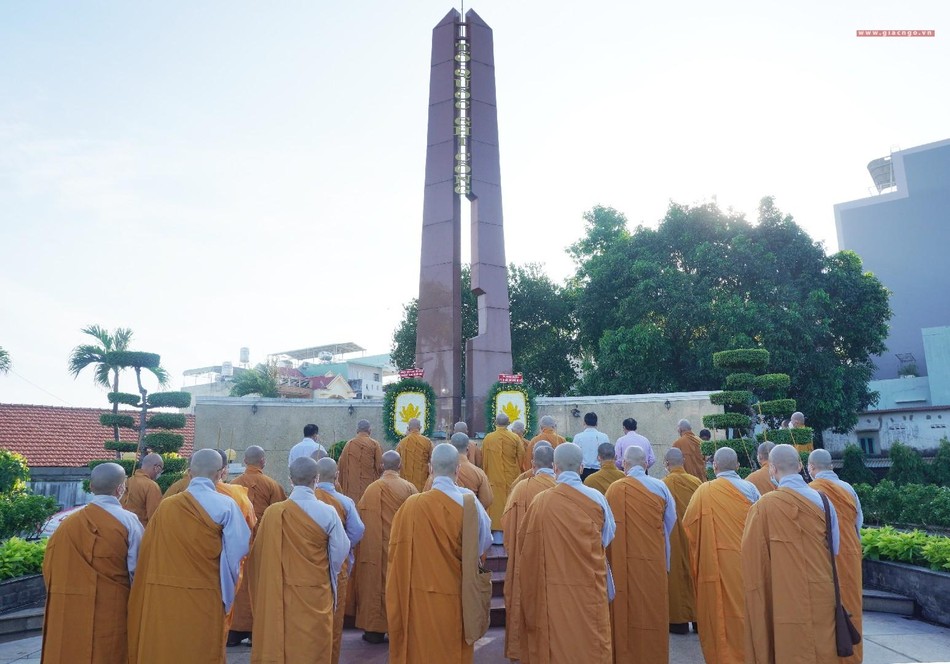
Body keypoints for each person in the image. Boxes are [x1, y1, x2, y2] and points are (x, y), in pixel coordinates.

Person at [127, 448, 251, 664]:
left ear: (190, 473)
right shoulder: (227, 505)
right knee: (201, 649)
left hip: (167, 592)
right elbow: (237, 551)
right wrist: (228, 591)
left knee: (171, 647)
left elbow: (148, 550)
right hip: (207, 591)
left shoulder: (167, 506)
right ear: (220, 473)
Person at [386, 443, 492, 664]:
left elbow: (396, 552)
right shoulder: (471, 505)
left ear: (430, 469)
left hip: (416, 597)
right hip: (457, 595)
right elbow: (482, 545)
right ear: (457, 471)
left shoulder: (411, 506)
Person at [516, 443, 616, 664]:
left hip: (553, 589)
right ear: (581, 468)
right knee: (592, 642)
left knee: (556, 642)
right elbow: (607, 537)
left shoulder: (540, 502)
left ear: (555, 467)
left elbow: (526, 545)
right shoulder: (597, 498)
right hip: (589, 586)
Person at [741, 444, 840, 663]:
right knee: (823, 647)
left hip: (783, 593)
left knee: (790, 646)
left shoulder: (763, 506)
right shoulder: (824, 501)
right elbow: (835, 548)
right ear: (799, 466)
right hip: (821, 590)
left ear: (772, 469)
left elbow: (752, 559)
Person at [248, 457, 349, 664]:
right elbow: (340, 554)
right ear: (317, 479)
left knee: (282, 640)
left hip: (280, 592)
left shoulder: (272, 513)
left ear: (290, 480)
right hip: (315, 592)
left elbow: (258, 556)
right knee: (313, 647)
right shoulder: (328, 512)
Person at [41, 463, 143, 664]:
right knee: (109, 652)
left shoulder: (68, 524)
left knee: (70, 651)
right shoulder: (129, 521)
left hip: (70, 606)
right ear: (120, 488)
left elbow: (50, 566)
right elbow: (137, 569)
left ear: (91, 486)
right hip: (112, 606)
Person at [683, 447, 760, 664]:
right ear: (737, 466)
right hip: (747, 562)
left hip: (716, 563)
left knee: (720, 614)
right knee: (747, 611)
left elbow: (689, 525)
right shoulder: (751, 489)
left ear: (714, 467)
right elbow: (761, 522)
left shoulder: (704, 491)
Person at [606, 446, 676, 663]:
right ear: (646, 464)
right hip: (653, 561)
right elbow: (670, 522)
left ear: (624, 464)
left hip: (622, 563)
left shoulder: (614, 489)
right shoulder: (660, 487)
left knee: (626, 610)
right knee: (653, 611)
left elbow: (607, 529)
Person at [355, 451, 418, 644]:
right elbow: (418, 518)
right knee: (400, 585)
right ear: (400, 466)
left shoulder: (371, 490)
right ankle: (398, 628)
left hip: (375, 550)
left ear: (382, 466)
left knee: (375, 585)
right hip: (401, 548)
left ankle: (374, 630)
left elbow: (360, 522)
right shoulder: (409, 488)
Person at [500, 443, 556, 661]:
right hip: (555, 561)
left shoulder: (521, 488)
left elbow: (506, 523)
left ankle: (520, 649)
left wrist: (512, 547)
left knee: (523, 601)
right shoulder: (564, 487)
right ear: (555, 464)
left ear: (532, 463)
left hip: (524, 558)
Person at [227, 445, 287, 647]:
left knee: (238, 582)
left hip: (237, 545)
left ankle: (234, 631)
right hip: (263, 545)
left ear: (244, 461)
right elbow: (281, 517)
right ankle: (256, 630)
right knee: (260, 584)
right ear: (263, 462)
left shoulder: (232, 486)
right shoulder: (272, 485)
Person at [809, 448, 864, 664]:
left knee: (825, 609)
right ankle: (853, 656)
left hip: (825, 559)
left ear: (811, 468)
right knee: (851, 604)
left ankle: (828, 657)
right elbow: (858, 522)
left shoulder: (810, 490)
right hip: (849, 555)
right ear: (831, 466)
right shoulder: (848, 489)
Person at [314, 457, 366, 664]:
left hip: (305, 567)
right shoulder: (344, 502)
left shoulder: (298, 502)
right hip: (337, 566)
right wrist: (341, 548)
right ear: (336, 476)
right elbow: (358, 531)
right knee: (333, 618)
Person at [661, 447, 702, 635]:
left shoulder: (663, 484)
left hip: (674, 538)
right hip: (694, 537)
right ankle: (698, 618)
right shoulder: (696, 482)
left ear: (666, 464)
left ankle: (678, 622)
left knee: (676, 574)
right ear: (683, 462)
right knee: (697, 574)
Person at [482, 413, 525, 544]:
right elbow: (521, 457)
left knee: (496, 504)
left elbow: (484, 459)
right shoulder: (515, 438)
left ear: (495, 423)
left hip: (493, 477)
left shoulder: (488, 438)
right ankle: (511, 533)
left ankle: (496, 535)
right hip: (511, 477)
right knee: (510, 502)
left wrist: (487, 473)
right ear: (508, 424)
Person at [423, 433, 493, 510]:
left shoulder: (437, 474)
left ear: (451, 447)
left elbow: (426, 498)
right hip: (468, 518)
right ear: (467, 449)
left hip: (440, 517)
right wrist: (471, 513)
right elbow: (487, 500)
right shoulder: (479, 473)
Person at [338, 419, 383, 503]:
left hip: (351, 489)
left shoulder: (349, 444)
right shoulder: (374, 444)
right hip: (369, 488)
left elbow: (341, 466)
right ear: (370, 431)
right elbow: (380, 467)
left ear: (357, 431)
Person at [121, 452, 164, 527]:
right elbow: (154, 517)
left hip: (124, 527)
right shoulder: (151, 486)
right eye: (160, 470)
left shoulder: (128, 481)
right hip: (141, 531)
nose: (159, 473)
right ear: (156, 467)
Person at [395, 418, 433, 493]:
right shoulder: (427, 442)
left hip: (406, 485)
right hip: (422, 484)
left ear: (408, 428)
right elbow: (433, 460)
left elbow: (396, 461)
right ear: (420, 428)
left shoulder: (402, 443)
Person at [573, 412, 610, 480]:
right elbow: (608, 455)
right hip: (599, 470)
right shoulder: (604, 437)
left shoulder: (578, 437)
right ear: (596, 423)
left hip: (583, 472)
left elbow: (574, 455)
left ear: (584, 423)